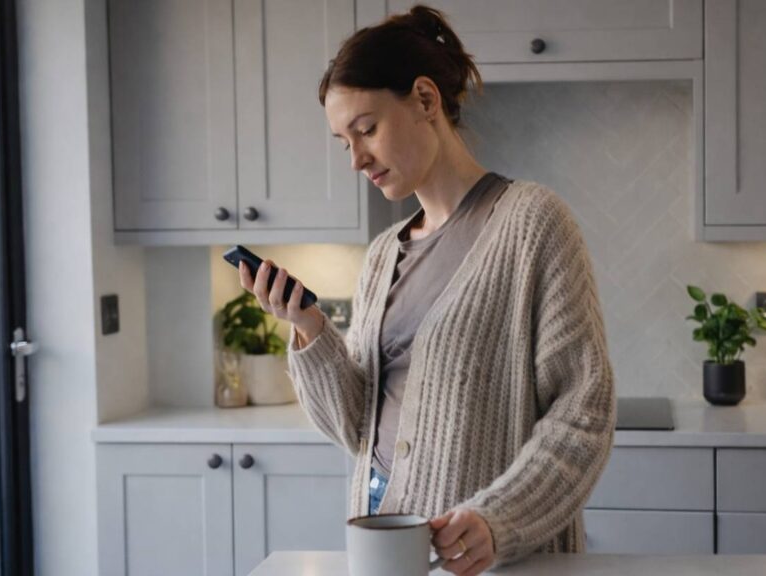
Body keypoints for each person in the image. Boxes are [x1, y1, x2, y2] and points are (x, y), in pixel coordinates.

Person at [238, 5, 614, 575]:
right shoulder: (381, 256)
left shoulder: (533, 223)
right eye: (343, 142)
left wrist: (499, 520)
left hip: (491, 557)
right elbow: (355, 429)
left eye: (367, 129)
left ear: (424, 100)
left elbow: (584, 412)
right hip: (383, 542)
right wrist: (309, 329)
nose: (356, 159)